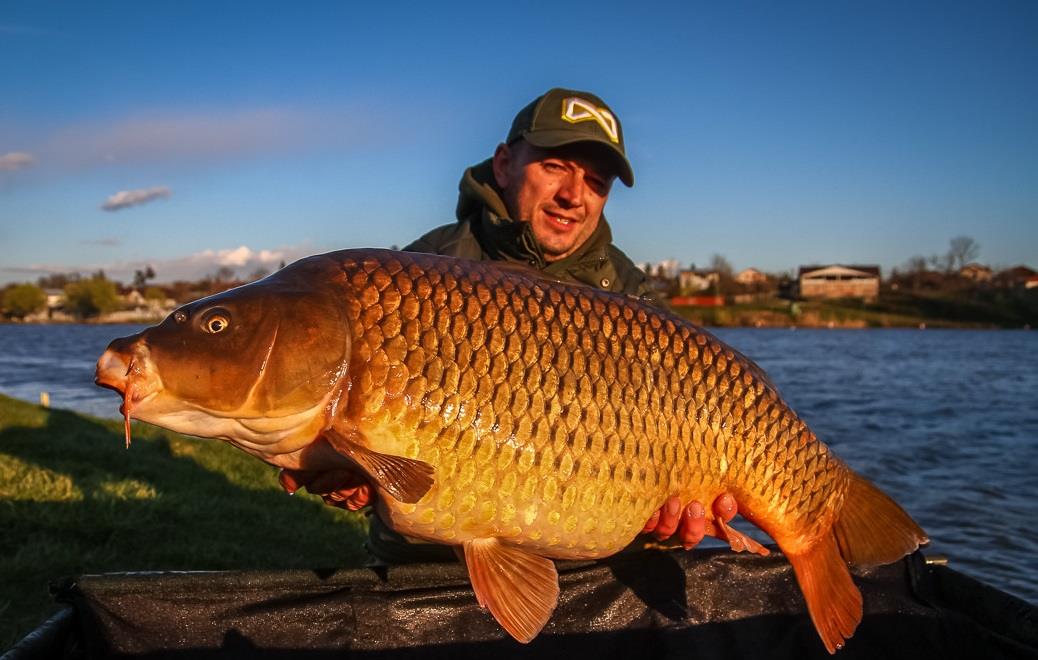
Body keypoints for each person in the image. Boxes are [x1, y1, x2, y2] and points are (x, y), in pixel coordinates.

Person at [280, 88, 739, 562]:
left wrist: (664, 520)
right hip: (423, 561)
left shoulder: (630, 298)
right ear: (504, 165)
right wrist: (351, 476)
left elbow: (668, 481)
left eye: (596, 180)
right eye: (555, 166)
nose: (573, 195)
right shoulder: (422, 272)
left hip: (582, 564)